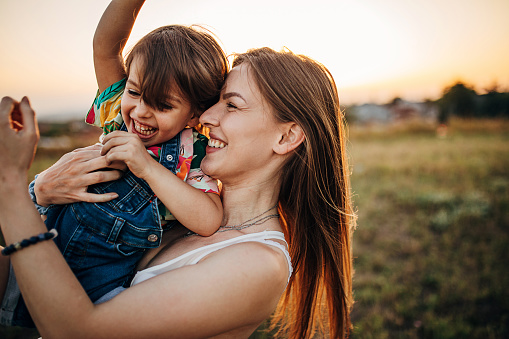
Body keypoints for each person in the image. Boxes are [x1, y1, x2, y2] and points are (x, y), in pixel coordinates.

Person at [0, 48, 355, 338]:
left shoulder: (259, 264)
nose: (206, 117)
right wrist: (39, 194)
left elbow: (77, 330)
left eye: (231, 105)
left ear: (286, 137)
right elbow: (43, 275)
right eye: (214, 102)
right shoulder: (176, 210)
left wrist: (11, 187)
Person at [1, 0, 226, 328]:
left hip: (92, 293)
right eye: (134, 92)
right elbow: (105, 47)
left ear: (194, 114)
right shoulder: (116, 116)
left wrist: (147, 168)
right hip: (36, 248)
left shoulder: (193, 156)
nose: (140, 112)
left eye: (163, 105)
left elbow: (208, 219)